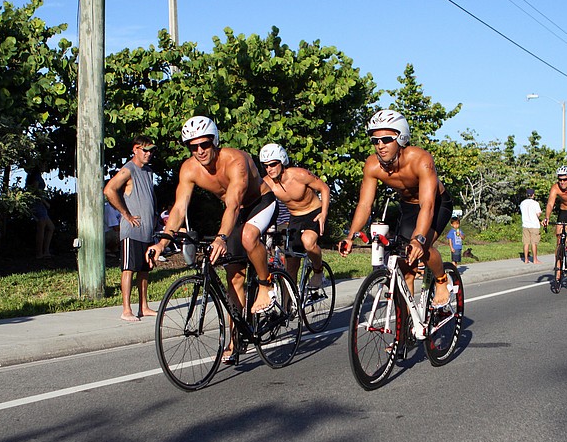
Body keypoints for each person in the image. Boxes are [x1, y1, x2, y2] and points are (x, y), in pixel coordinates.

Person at [146, 116, 276, 364]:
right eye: (193, 147)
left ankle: (265, 285)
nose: (200, 151)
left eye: (204, 144)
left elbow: (235, 203)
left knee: (248, 237)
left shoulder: (235, 160)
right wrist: (162, 241)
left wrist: (222, 238)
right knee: (234, 276)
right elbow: (179, 208)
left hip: (260, 203)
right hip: (233, 211)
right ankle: (236, 340)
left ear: (214, 141)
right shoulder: (189, 169)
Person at [338, 110, 454, 308]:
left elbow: (427, 205)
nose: (380, 145)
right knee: (405, 264)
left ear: (401, 139)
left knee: (422, 247)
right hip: (409, 207)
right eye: (375, 140)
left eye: (386, 139)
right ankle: (407, 329)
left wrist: (419, 239)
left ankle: (442, 279)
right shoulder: (372, 165)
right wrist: (351, 236)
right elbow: (365, 204)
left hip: (436, 203)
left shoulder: (420, 160)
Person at [259, 143, 330, 288]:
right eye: (265, 166)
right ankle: (288, 306)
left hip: (314, 212)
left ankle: (318, 271)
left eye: (272, 164)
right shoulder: (267, 183)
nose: (269, 169)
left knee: (308, 242)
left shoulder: (300, 175)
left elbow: (324, 188)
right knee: (290, 264)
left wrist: (324, 213)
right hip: (295, 218)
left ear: (282, 161)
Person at [104, 135, 158, 323]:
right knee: (128, 269)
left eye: (151, 150)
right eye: (145, 150)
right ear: (135, 149)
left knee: (144, 269)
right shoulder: (128, 169)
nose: (149, 154)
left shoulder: (149, 171)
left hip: (147, 230)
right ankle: (126, 309)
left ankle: (143, 306)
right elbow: (109, 190)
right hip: (132, 230)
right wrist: (126, 215)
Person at [25, 163, 55, 259]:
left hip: (40, 204)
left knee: (50, 227)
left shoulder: (37, 176)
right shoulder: (36, 176)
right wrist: (44, 202)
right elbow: (35, 191)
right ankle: (39, 253)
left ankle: (45, 251)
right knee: (41, 228)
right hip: (37, 204)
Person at [519, 188, 542, 264]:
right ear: (533, 195)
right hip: (534, 225)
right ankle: (535, 259)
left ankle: (526, 259)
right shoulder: (535, 203)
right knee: (534, 243)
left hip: (525, 224)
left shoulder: (522, 203)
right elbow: (538, 214)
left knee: (526, 243)